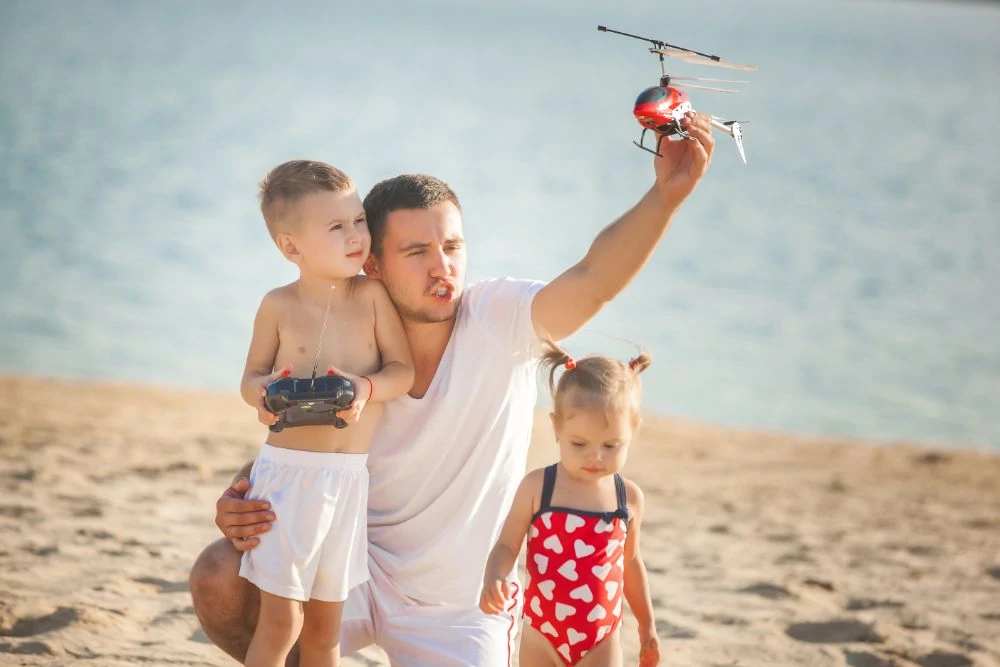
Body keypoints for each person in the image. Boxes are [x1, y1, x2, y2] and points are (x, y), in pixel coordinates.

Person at [189, 112, 715, 666]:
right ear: (371, 262)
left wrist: (664, 198)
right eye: (417, 252)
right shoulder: (349, 323)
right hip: (353, 571)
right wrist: (246, 494)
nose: (443, 268)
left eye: (453, 247)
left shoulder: (499, 318)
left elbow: (592, 281)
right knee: (220, 576)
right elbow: (304, 437)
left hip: (457, 608)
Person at [237, 160, 414, 667]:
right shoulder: (278, 304)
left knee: (324, 630)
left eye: (359, 220)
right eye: (337, 227)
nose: (357, 235)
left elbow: (402, 370)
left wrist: (365, 386)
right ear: (291, 247)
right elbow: (249, 379)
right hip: (288, 478)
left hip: (347, 481)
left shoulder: (374, 297)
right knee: (281, 621)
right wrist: (265, 394)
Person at [480, 345, 660, 667]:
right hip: (541, 633)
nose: (596, 456)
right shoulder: (539, 487)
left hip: (602, 638)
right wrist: (494, 575)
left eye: (611, 445)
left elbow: (631, 562)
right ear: (556, 427)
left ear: (633, 432)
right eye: (580, 444)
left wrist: (646, 624)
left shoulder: (628, 499)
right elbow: (508, 544)